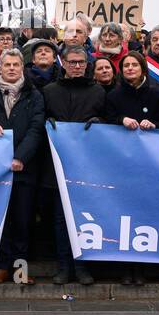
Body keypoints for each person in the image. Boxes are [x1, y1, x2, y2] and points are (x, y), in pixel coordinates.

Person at [0, 48, 46, 286]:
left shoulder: (34, 95)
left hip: (24, 168)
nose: (10, 69)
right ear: (0, 67)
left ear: (22, 68)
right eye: (6, 65)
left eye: (15, 65)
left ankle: (20, 270)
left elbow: (36, 128)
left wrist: (21, 157)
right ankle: (1, 268)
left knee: (23, 221)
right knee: (2, 221)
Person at [42, 46, 104, 286]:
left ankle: (82, 266)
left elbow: (109, 120)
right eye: (73, 62)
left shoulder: (98, 91)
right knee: (60, 218)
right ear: (64, 63)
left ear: (87, 64)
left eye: (81, 62)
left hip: (87, 165)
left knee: (84, 218)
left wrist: (100, 123)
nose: (77, 66)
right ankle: (63, 266)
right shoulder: (49, 91)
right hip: (57, 164)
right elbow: (39, 120)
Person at [103, 52, 159, 131]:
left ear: (142, 69)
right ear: (122, 70)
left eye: (135, 65)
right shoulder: (113, 95)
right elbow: (107, 123)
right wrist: (122, 119)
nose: (130, 68)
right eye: (126, 65)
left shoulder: (155, 94)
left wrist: (152, 125)